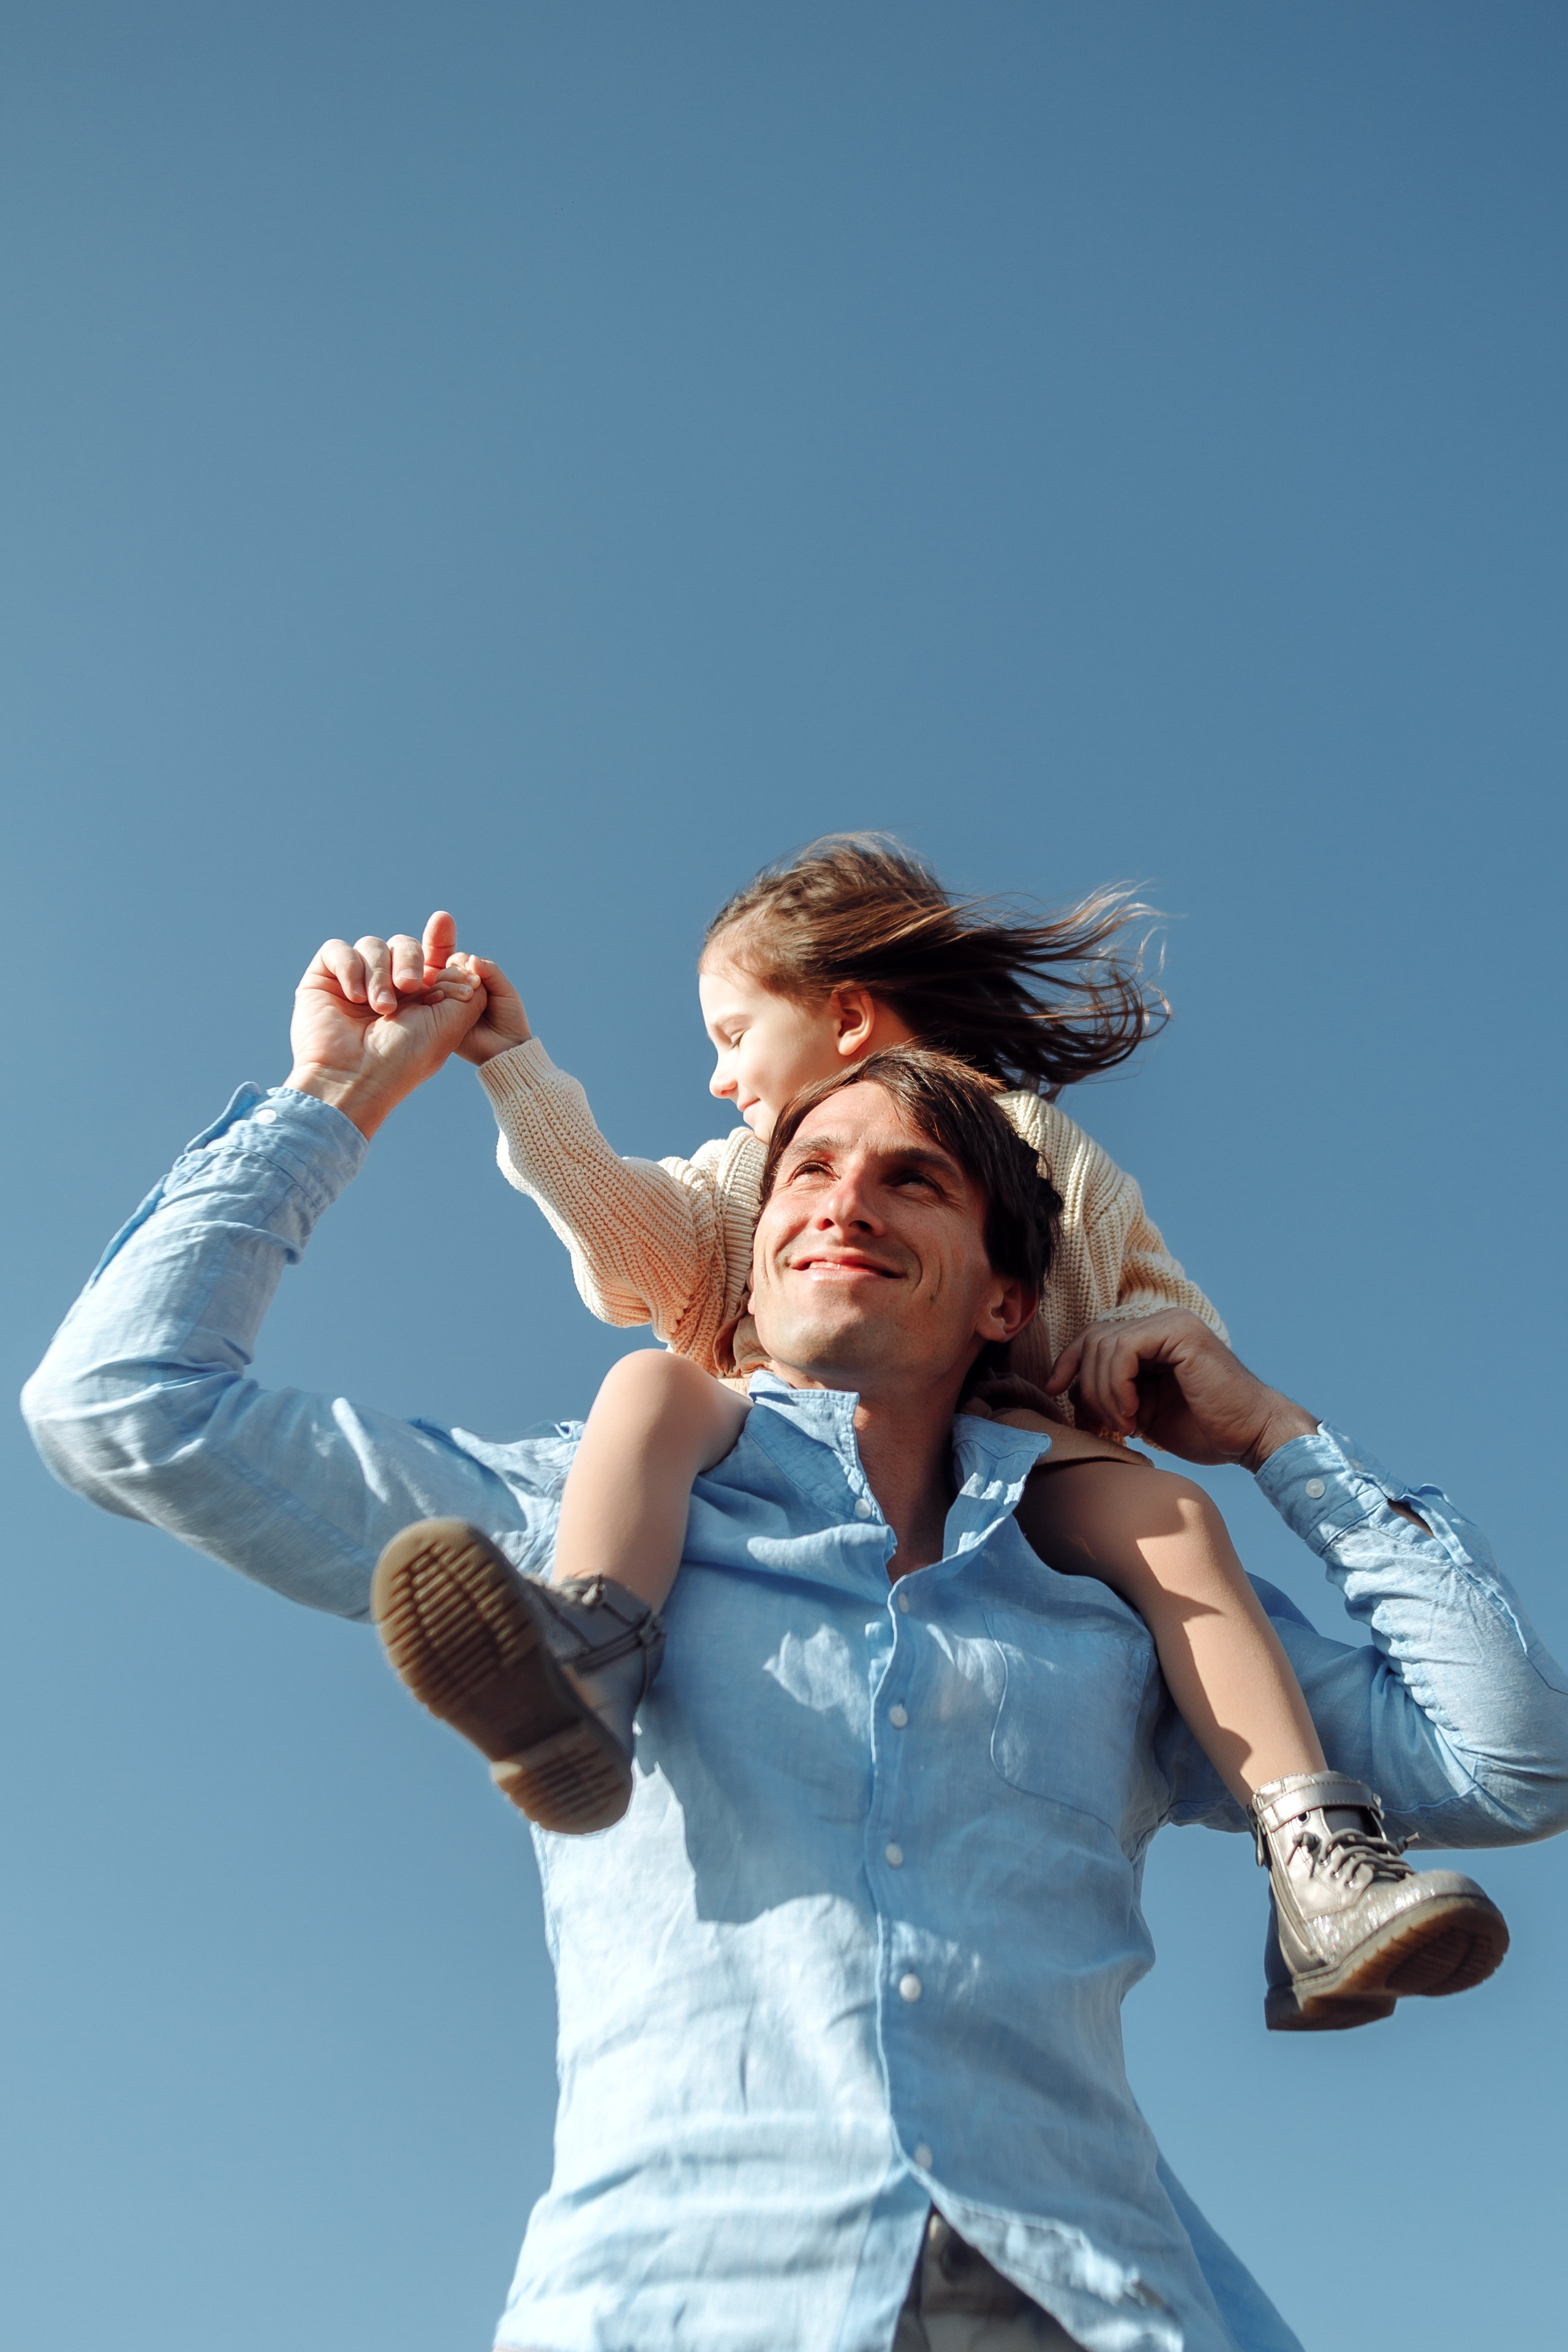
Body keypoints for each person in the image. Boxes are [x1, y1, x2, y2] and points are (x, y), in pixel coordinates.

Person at [21, 926, 1568, 2352]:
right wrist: (334, 1094)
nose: (840, 1197)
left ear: (1001, 1300)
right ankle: (593, 1676)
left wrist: (1280, 1441)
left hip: (1096, 2298)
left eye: (913, 1183)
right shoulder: (586, 1514)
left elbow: (1508, 1763)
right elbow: (118, 1408)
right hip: (687, 2295)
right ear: (751, 1258)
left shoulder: (1119, 1593)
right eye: (805, 1170)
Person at [380, 836, 1503, 2029]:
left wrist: (1135, 1343)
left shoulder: (1042, 1148)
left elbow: (1166, 1314)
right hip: (790, 1427)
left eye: (729, 1035)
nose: (719, 1079)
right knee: (650, 1392)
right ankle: (589, 1658)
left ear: (849, 1015)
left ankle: (1315, 1863)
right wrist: (514, 1068)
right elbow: (634, 1255)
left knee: (1171, 1520)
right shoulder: (763, 1164)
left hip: (1019, 1459)